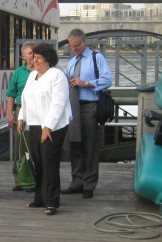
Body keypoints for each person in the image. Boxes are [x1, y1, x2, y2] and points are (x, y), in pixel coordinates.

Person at [17, 43, 72, 216]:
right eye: (34, 57)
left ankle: (52, 201)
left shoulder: (57, 76)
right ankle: (39, 197)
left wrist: (48, 126)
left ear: (48, 60)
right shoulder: (32, 75)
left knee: (49, 163)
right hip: (34, 124)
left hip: (53, 126)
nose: (35, 60)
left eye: (39, 58)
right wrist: (21, 118)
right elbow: (25, 98)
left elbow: (58, 102)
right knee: (38, 162)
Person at [63, 28, 112, 199]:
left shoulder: (96, 58)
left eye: (76, 46)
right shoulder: (71, 62)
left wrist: (86, 83)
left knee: (90, 146)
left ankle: (89, 184)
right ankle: (77, 182)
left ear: (84, 42)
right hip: (73, 106)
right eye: (71, 47)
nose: (74, 49)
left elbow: (107, 80)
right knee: (75, 144)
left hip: (90, 105)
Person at [6, 41, 35, 192]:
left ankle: (31, 177)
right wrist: (10, 114)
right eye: (30, 53)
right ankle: (19, 179)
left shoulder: (41, 71)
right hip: (21, 110)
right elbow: (11, 94)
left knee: (33, 146)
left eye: (35, 53)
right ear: (23, 56)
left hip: (36, 112)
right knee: (20, 145)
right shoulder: (19, 72)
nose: (33, 56)